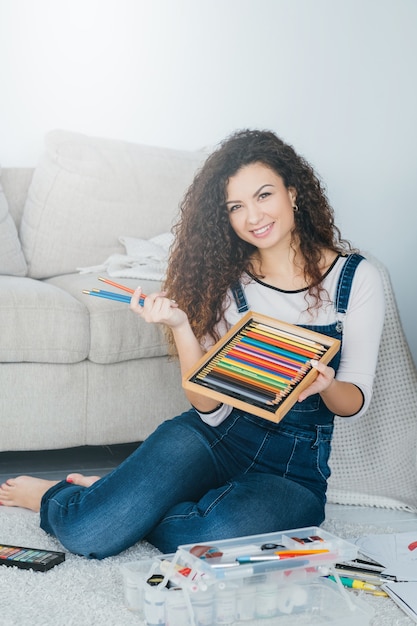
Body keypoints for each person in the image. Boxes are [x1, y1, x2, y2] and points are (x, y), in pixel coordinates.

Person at [0, 129, 385, 559]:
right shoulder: (223, 280)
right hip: (214, 438)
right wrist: (182, 327)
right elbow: (211, 409)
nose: (253, 216)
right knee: (88, 534)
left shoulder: (356, 280)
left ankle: (117, 498)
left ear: (293, 193)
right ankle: (77, 500)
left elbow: (354, 401)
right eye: (235, 207)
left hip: (290, 473)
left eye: (263, 196)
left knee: (213, 533)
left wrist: (326, 385)